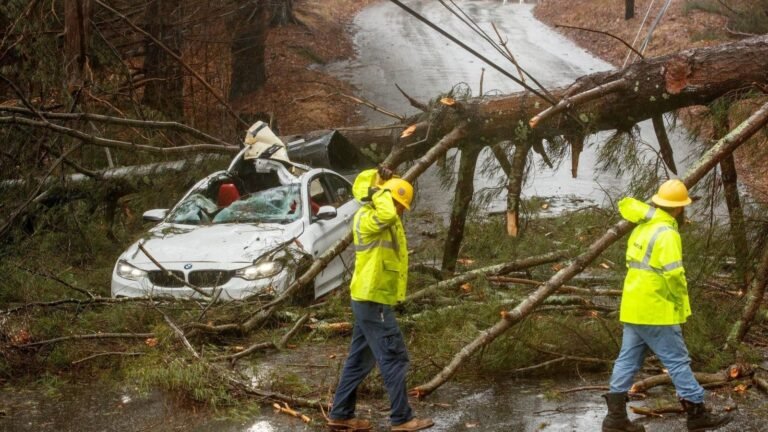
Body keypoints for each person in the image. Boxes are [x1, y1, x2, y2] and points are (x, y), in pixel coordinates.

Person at [602, 179, 733, 432]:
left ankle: (615, 419)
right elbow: (674, 276)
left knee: (627, 361)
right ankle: (697, 413)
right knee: (677, 362)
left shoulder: (643, 227)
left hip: (634, 306)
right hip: (657, 309)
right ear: (679, 208)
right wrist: (681, 305)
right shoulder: (667, 233)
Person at [327, 167, 433, 432]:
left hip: (371, 297)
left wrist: (380, 178)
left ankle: (341, 414)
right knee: (394, 357)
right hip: (372, 299)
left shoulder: (383, 217)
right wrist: (381, 190)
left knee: (359, 360)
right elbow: (385, 211)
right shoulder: (369, 217)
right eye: (398, 204)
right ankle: (402, 419)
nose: (399, 211)